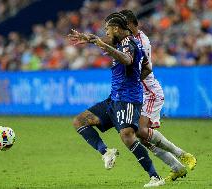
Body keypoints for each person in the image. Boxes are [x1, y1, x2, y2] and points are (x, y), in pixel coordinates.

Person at [69, 13, 165, 187]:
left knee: (127, 136)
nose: (106, 32)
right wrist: (89, 39)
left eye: (107, 28)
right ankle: (106, 152)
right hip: (114, 99)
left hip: (128, 100)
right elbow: (147, 67)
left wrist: (110, 51)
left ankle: (155, 177)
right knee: (79, 121)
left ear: (116, 28)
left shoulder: (129, 44)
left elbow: (127, 60)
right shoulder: (120, 43)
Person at [118, 9, 197, 181]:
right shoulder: (129, 40)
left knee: (139, 130)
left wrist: (131, 81)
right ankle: (177, 167)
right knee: (144, 138)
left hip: (149, 92)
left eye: (123, 24)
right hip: (140, 93)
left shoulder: (141, 42)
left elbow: (147, 70)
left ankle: (183, 155)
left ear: (131, 24)